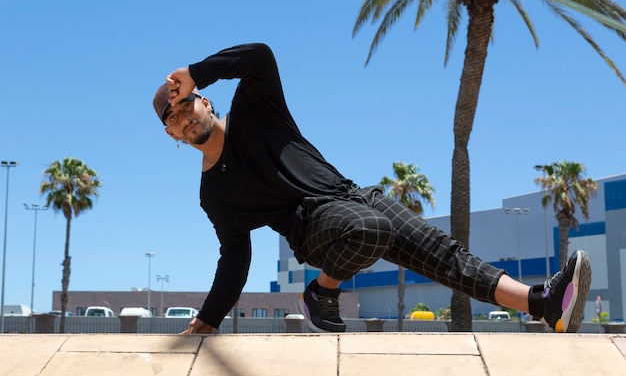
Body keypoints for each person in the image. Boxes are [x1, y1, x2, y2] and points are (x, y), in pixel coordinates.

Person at [153, 43, 591, 335]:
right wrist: (209, 320)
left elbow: (260, 57)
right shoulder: (215, 193)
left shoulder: (255, 109)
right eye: (173, 119)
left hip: (354, 195)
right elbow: (235, 256)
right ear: (173, 137)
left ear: (204, 100)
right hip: (314, 228)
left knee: (444, 255)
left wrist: (195, 71)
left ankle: (542, 304)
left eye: (185, 105)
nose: (184, 118)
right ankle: (321, 291)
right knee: (370, 228)